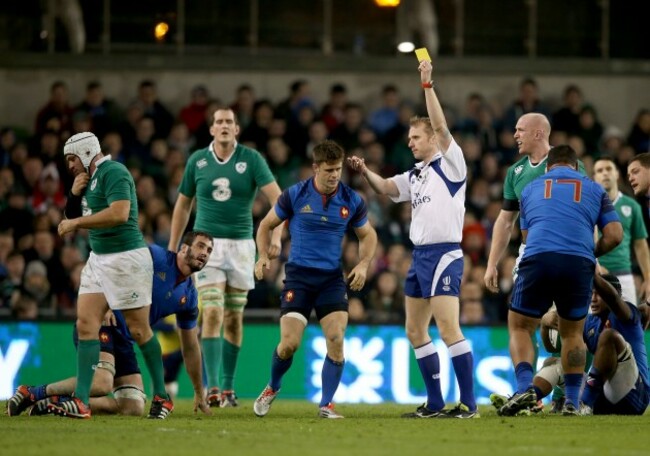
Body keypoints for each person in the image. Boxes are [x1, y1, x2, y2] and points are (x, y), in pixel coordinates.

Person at [347, 59, 478, 419]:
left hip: (445, 254)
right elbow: (389, 189)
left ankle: (468, 404)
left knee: (448, 327)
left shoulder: (452, 165)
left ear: (434, 139)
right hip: (419, 256)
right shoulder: (417, 174)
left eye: (416, 137)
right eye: (408, 139)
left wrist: (426, 86)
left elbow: (439, 123)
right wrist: (364, 171)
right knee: (414, 328)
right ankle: (435, 403)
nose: (411, 143)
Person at [7, 232, 214, 417]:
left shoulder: (189, 296)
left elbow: (190, 346)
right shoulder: (156, 257)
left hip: (125, 338)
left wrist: (198, 392)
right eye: (201, 246)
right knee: (101, 383)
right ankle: (32, 392)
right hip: (102, 323)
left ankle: (55, 403)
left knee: (133, 406)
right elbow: (111, 260)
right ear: (184, 247)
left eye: (209, 250)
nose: (205, 253)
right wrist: (103, 301)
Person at [252, 140, 377, 419]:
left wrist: (364, 264)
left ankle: (326, 404)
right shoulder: (295, 195)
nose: (335, 175)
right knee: (288, 345)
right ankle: (273, 386)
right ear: (315, 168)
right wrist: (262, 257)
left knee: (336, 338)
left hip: (331, 280)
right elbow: (265, 225)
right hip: (298, 278)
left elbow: (367, 235)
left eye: (339, 169)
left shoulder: (351, 200)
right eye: (329, 170)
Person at [51, 132, 171, 419]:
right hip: (98, 259)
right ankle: (81, 401)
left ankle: (162, 396)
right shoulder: (86, 181)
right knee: (86, 323)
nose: (69, 165)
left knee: (139, 330)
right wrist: (74, 195)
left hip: (126, 259)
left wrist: (77, 223)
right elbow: (71, 214)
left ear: (87, 152)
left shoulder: (114, 171)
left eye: (72, 158)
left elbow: (120, 213)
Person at [168, 108, 283, 408]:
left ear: (237, 129)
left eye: (229, 121)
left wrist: (276, 235)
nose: (223, 126)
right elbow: (183, 206)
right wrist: (173, 245)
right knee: (214, 312)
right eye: (218, 122)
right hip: (207, 246)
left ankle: (229, 388)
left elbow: (279, 200)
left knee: (233, 317)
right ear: (211, 130)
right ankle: (213, 386)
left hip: (243, 246)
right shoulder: (197, 161)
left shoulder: (252, 159)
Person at [498, 145, 622, 417]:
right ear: (576, 167)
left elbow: (527, 237)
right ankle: (572, 402)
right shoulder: (595, 189)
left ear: (547, 168)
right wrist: (590, 252)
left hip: (539, 257)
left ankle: (523, 391)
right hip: (578, 263)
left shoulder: (530, 189)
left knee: (520, 326)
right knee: (572, 333)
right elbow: (614, 235)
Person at [593, 156, 650, 304]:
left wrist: (648, 278)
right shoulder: (589, 206)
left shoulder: (632, 206)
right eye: (600, 170)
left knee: (629, 324)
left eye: (609, 169)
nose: (605, 173)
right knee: (592, 325)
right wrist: (596, 264)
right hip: (595, 274)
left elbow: (640, 244)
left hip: (624, 274)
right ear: (594, 177)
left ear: (617, 174)